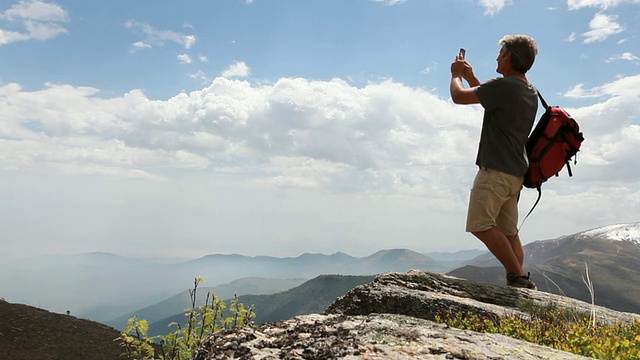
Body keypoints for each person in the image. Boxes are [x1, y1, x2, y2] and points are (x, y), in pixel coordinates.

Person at [450, 35, 539, 289]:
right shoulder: (528, 90)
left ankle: (517, 277)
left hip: (495, 172)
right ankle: (517, 281)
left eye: (500, 53)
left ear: (509, 56)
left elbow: (459, 96)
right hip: (514, 174)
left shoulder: (505, 86)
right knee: (509, 232)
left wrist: (456, 74)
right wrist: (471, 78)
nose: (497, 57)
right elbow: (492, 103)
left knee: (480, 225)